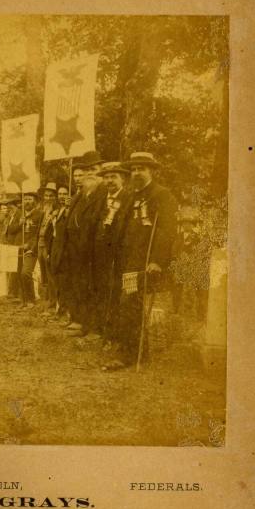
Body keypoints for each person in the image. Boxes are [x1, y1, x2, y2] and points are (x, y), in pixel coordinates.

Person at [106, 151, 177, 370]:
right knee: (128, 304)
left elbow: (166, 231)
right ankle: (137, 350)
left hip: (143, 260)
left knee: (130, 304)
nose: (137, 172)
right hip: (126, 260)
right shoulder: (129, 195)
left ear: (152, 171)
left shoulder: (162, 195)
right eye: (134, 169)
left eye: (142, 169)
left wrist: (157, 260)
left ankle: (129, 354)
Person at [62, 151, 107, 335]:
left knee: (94, 287)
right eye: (87, 170)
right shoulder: (81, 194)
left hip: (95, 249)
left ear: (101, 171)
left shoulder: (104, 192)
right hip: (77, 249)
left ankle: (94, 326)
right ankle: (80, 321)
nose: (89, 174)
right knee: (79, 285)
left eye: (94, 170)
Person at [91, 162, 133, 341]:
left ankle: (115, 333)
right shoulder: (101, 199)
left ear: (122, 178)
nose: (109, 181)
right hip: (101, 255)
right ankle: (102, 330)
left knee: (116, 293)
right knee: (102, 290)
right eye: (106, 177)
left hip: (120, 256)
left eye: (113, 177)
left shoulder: (129, 198)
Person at [6, 190, 42, 307]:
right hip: (18, 248)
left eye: (30, 199)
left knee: (26, 273)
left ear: (35, 202)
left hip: (31, 249)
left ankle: (31, 299)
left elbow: (38, 233)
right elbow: (10, 230)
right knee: (18, 274)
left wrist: (29, 245)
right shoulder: (19, 214)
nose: (27, 201)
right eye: (25, 199)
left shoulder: (39, 215)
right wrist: (20, 224)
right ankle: (23, 300)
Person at [43, 186, 70, 317]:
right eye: (60, 194)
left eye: (65, 194)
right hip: (55, 246)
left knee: (64, 279)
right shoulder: (57, 210)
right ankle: (57, 305)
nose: (62, 196)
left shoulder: (69, 210)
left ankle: (64, 308)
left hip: (66, 248)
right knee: (55, 278)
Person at [36, 182, 58, 308]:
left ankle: (53, 300)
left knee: (51, 272)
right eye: (46, 196)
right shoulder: (43, 209)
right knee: (43, 271)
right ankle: (47, 297)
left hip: (49, 244)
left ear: (55, 197)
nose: (48, 198)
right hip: (40, 243)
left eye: (51, 196)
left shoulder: (56, 210)